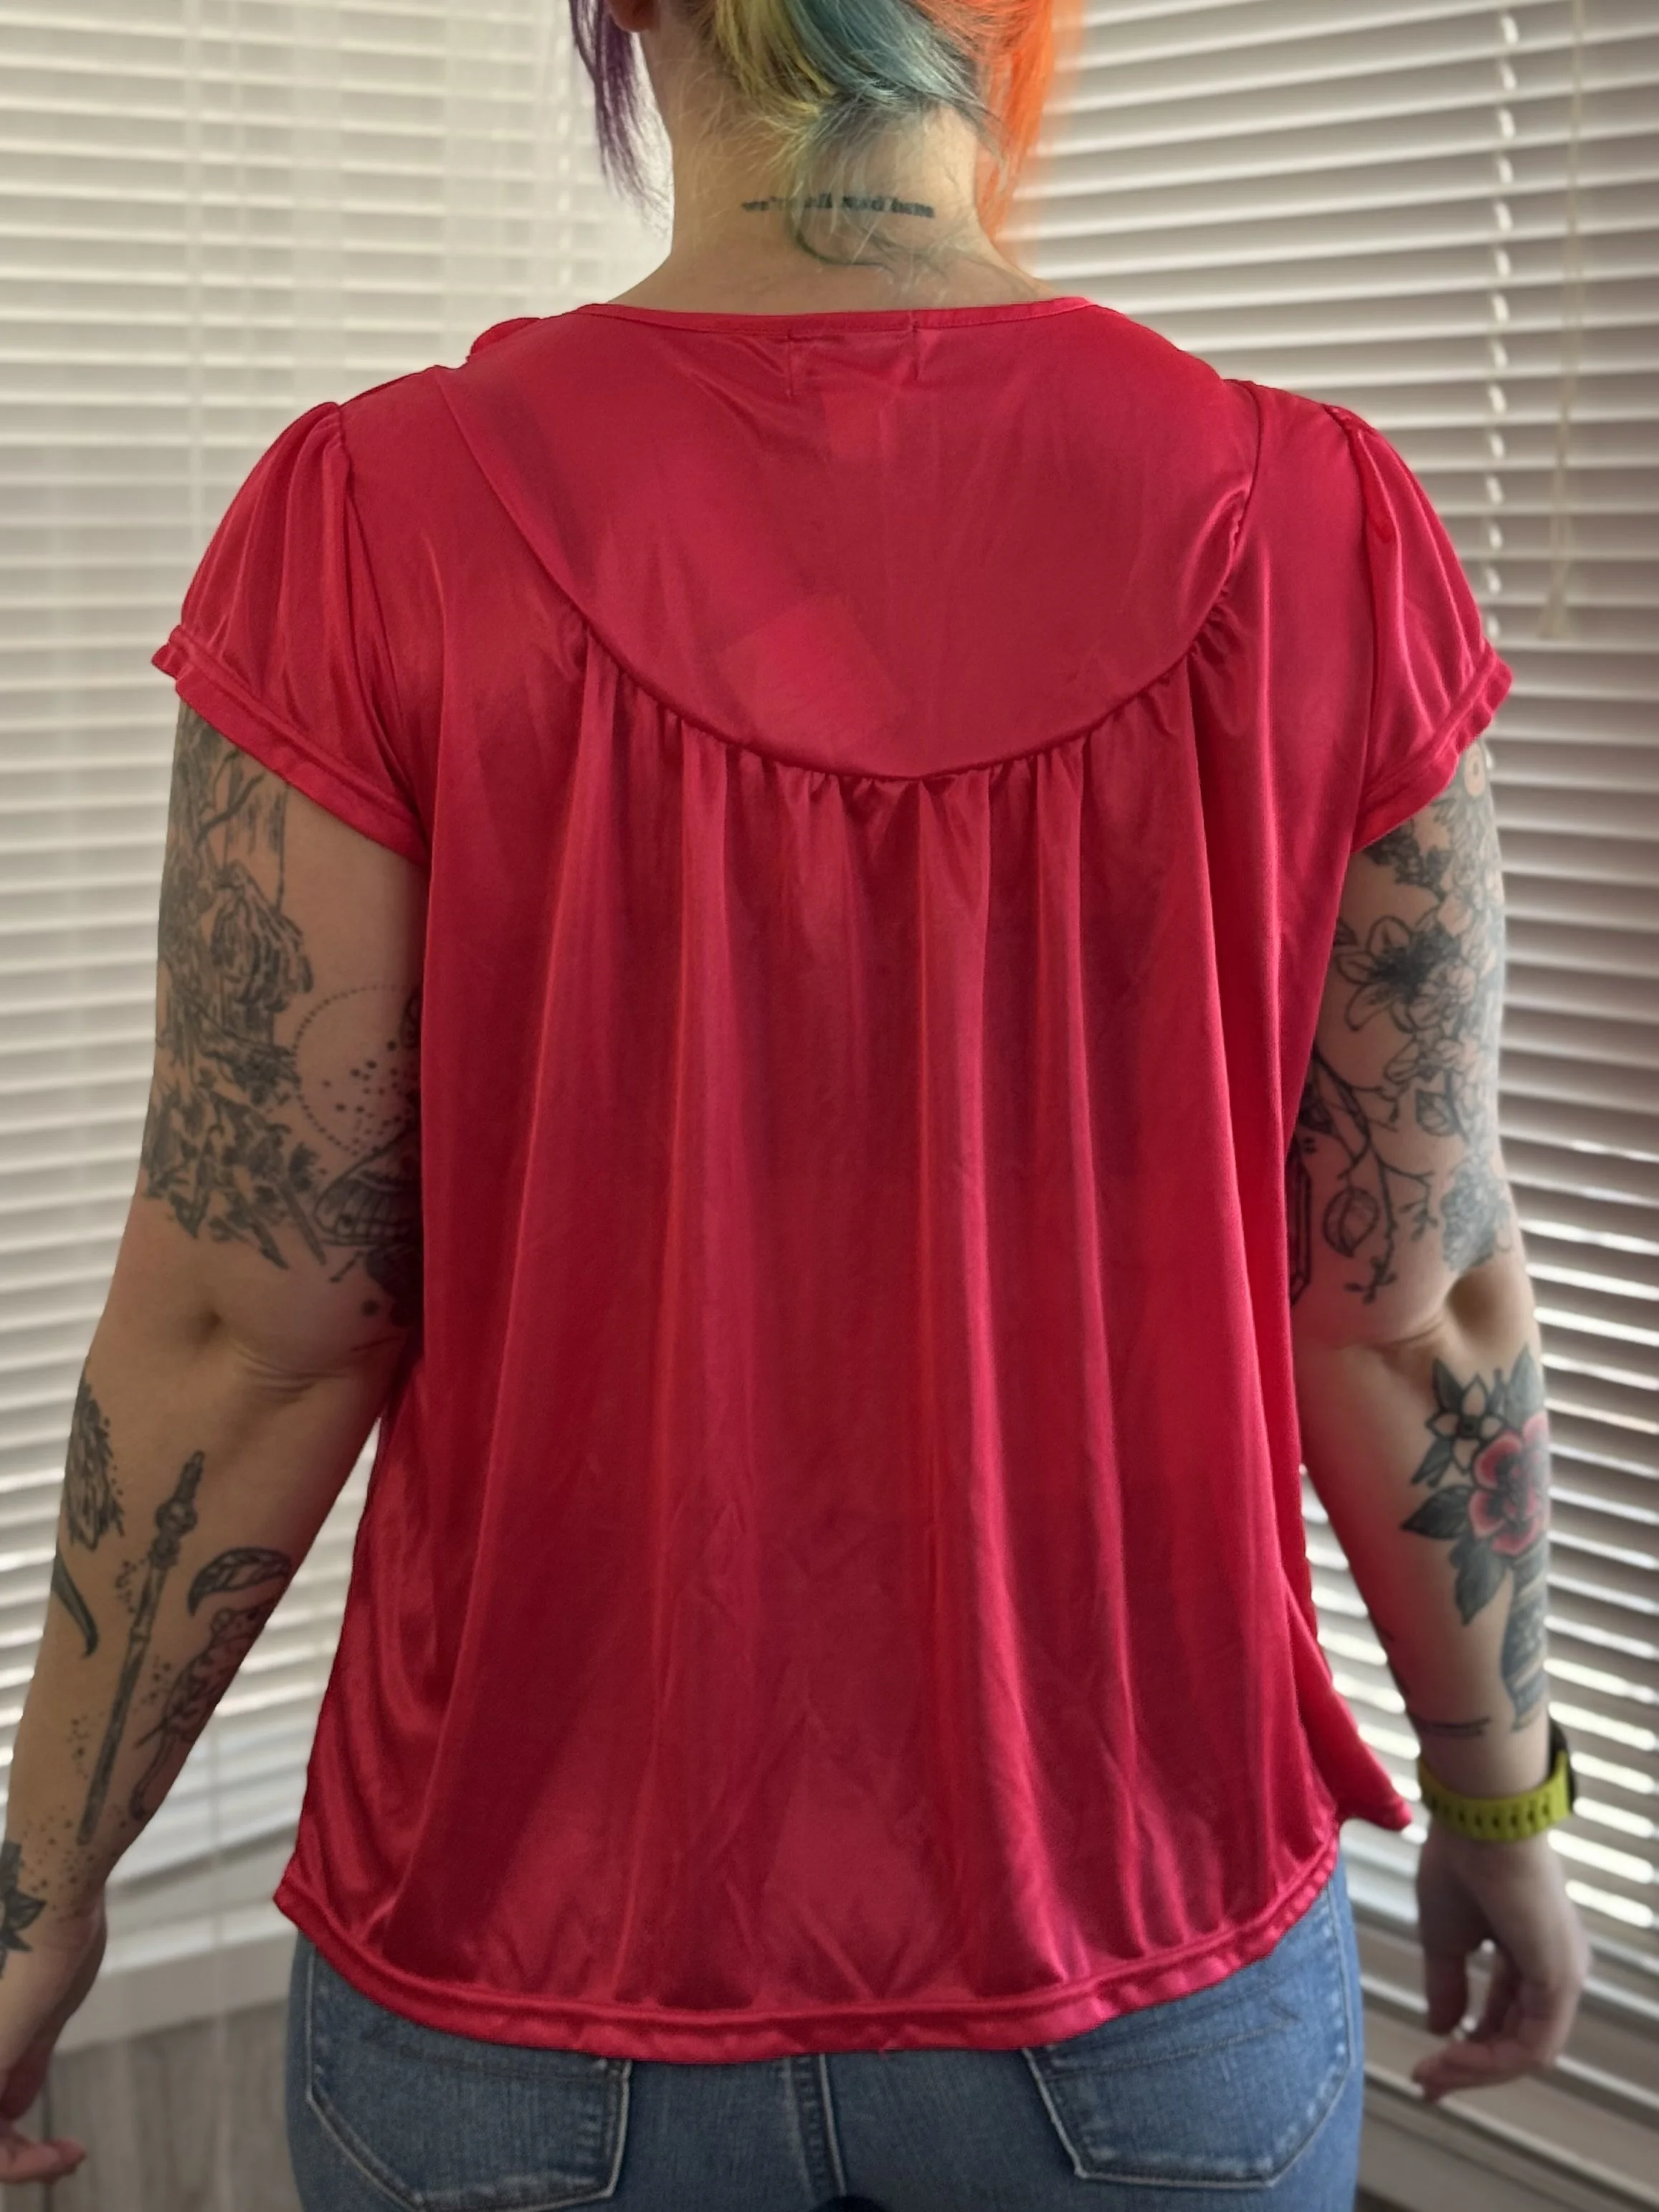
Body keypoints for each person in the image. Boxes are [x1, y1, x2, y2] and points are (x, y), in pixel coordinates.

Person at [0, 0, 1592, 2203]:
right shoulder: (1325, 532)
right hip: (1143, 1975)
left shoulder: (374, 525)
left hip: (520, 1988)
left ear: (628, 15)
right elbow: (1413, 1309)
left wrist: (42, 1887)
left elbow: (241, 1332)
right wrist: (1505, 1799)